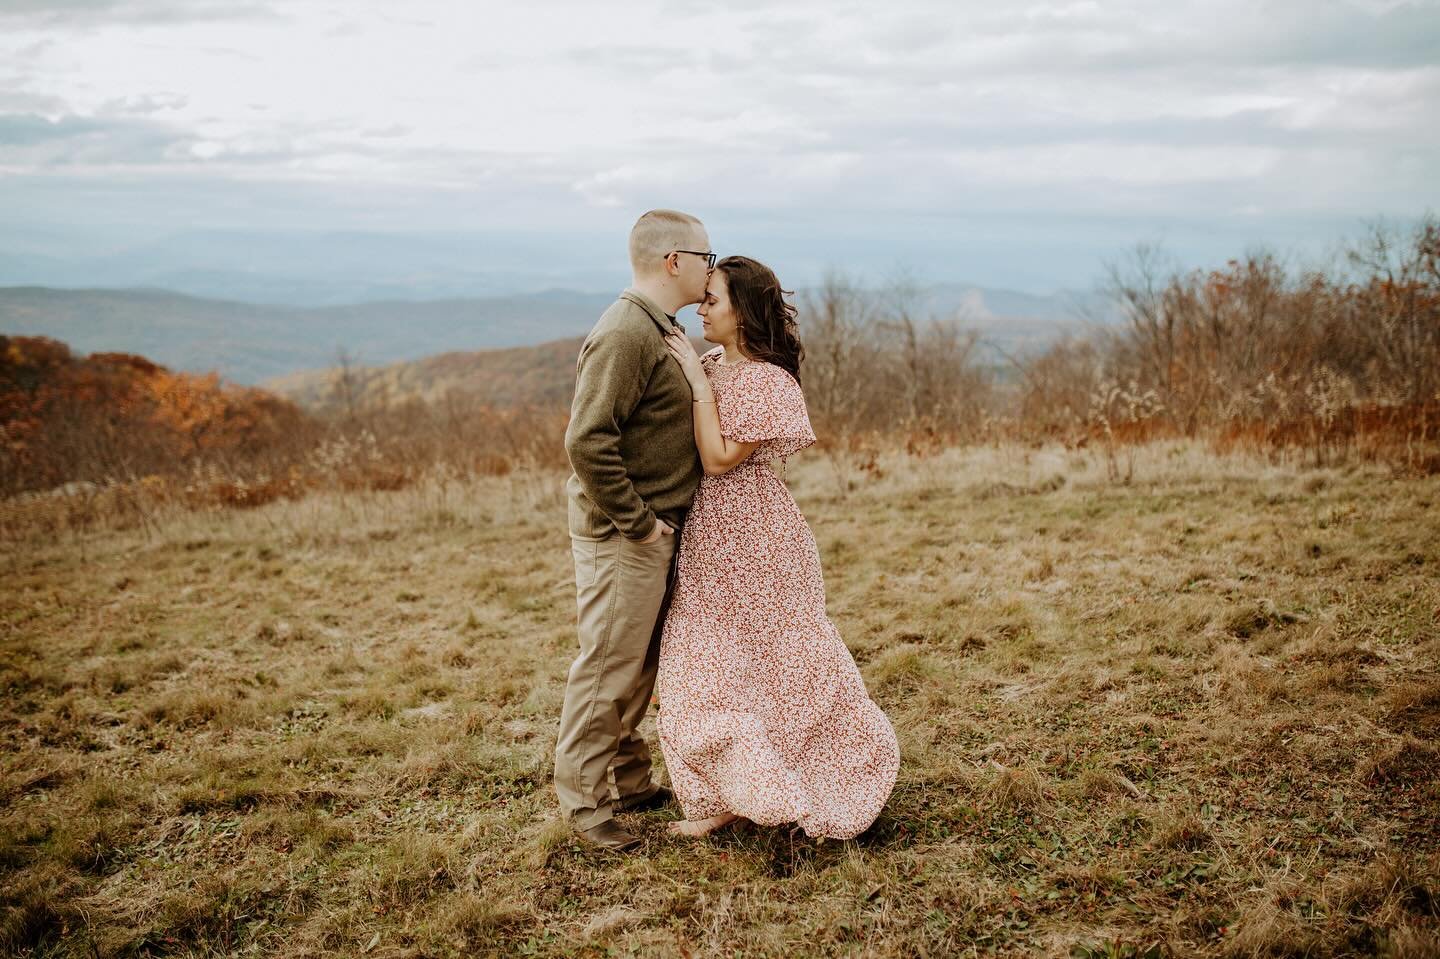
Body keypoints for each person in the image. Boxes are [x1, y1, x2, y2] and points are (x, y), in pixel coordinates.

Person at [657, 255, 900, 840]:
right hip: (710, 537)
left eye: (711, 298)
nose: (700, 308)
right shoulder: (714, 364)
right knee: (704, 669)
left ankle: (782, 785)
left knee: (777, 665)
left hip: (757, 538)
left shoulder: (768, 380)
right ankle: (739, 791)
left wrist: (693, 379)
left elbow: (718, 459)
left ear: (742, 310)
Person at [554, 209, 715, 852]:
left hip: (655, 527)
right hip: (625, 534)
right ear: (673, 260)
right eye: (706, 254)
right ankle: (587, 805)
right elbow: (587, 441)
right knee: (608, 666)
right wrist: (640, 523)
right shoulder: (626, 333)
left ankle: (628, 778)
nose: (712, 265)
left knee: (639, 662)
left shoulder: (659, 328)